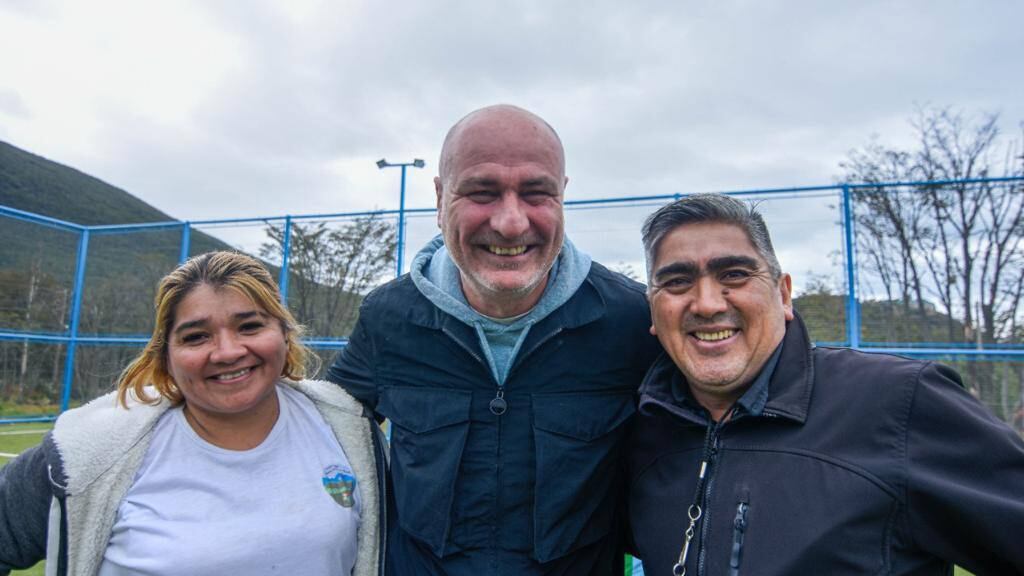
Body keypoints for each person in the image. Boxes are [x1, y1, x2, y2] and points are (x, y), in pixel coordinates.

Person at [328, 104, 661, 574]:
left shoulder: (631, 321)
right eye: (482, 192)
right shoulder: (388, 318)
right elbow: (318, 431)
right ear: (440, 198)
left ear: (562, 195)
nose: (510, 222)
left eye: (536, 193)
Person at [628, 194, 1024, 575]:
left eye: (734, 274)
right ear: (653, 310)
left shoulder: (898, 402)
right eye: (677, 281)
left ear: (783, 295)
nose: (708, 303)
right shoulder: (644, 428)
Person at [0, 251, 385, 576]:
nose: (227, 351)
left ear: (284, 335)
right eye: (196, 336)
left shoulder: (345, 427)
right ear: (165, 354)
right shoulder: (93, 451)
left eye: (249, 326)